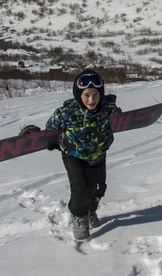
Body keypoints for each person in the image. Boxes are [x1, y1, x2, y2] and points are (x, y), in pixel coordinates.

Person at [44, 69, 119, 241]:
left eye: (95, 95)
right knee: (81, 190)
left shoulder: (107, 107)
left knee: (98, 188)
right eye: (86, 95)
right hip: (73, 156)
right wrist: (39, 136)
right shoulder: (66, 112)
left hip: (98, 154)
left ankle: (91, 211)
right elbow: (50, 129)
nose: (91, 100)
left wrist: (117, 113)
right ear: (79, 94)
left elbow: (115, 111)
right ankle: (79, 218)